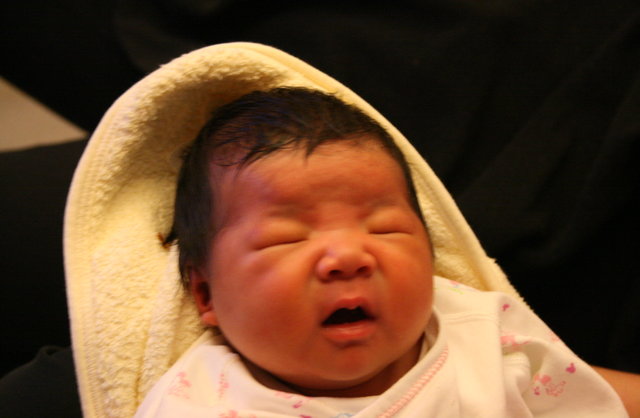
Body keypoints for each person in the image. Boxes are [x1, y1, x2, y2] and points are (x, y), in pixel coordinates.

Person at [133, 87, 626, 417]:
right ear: (207, 295)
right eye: (287, 238)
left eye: (385, 229)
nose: (348, 256)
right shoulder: (195, 402)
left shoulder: (484, 339)